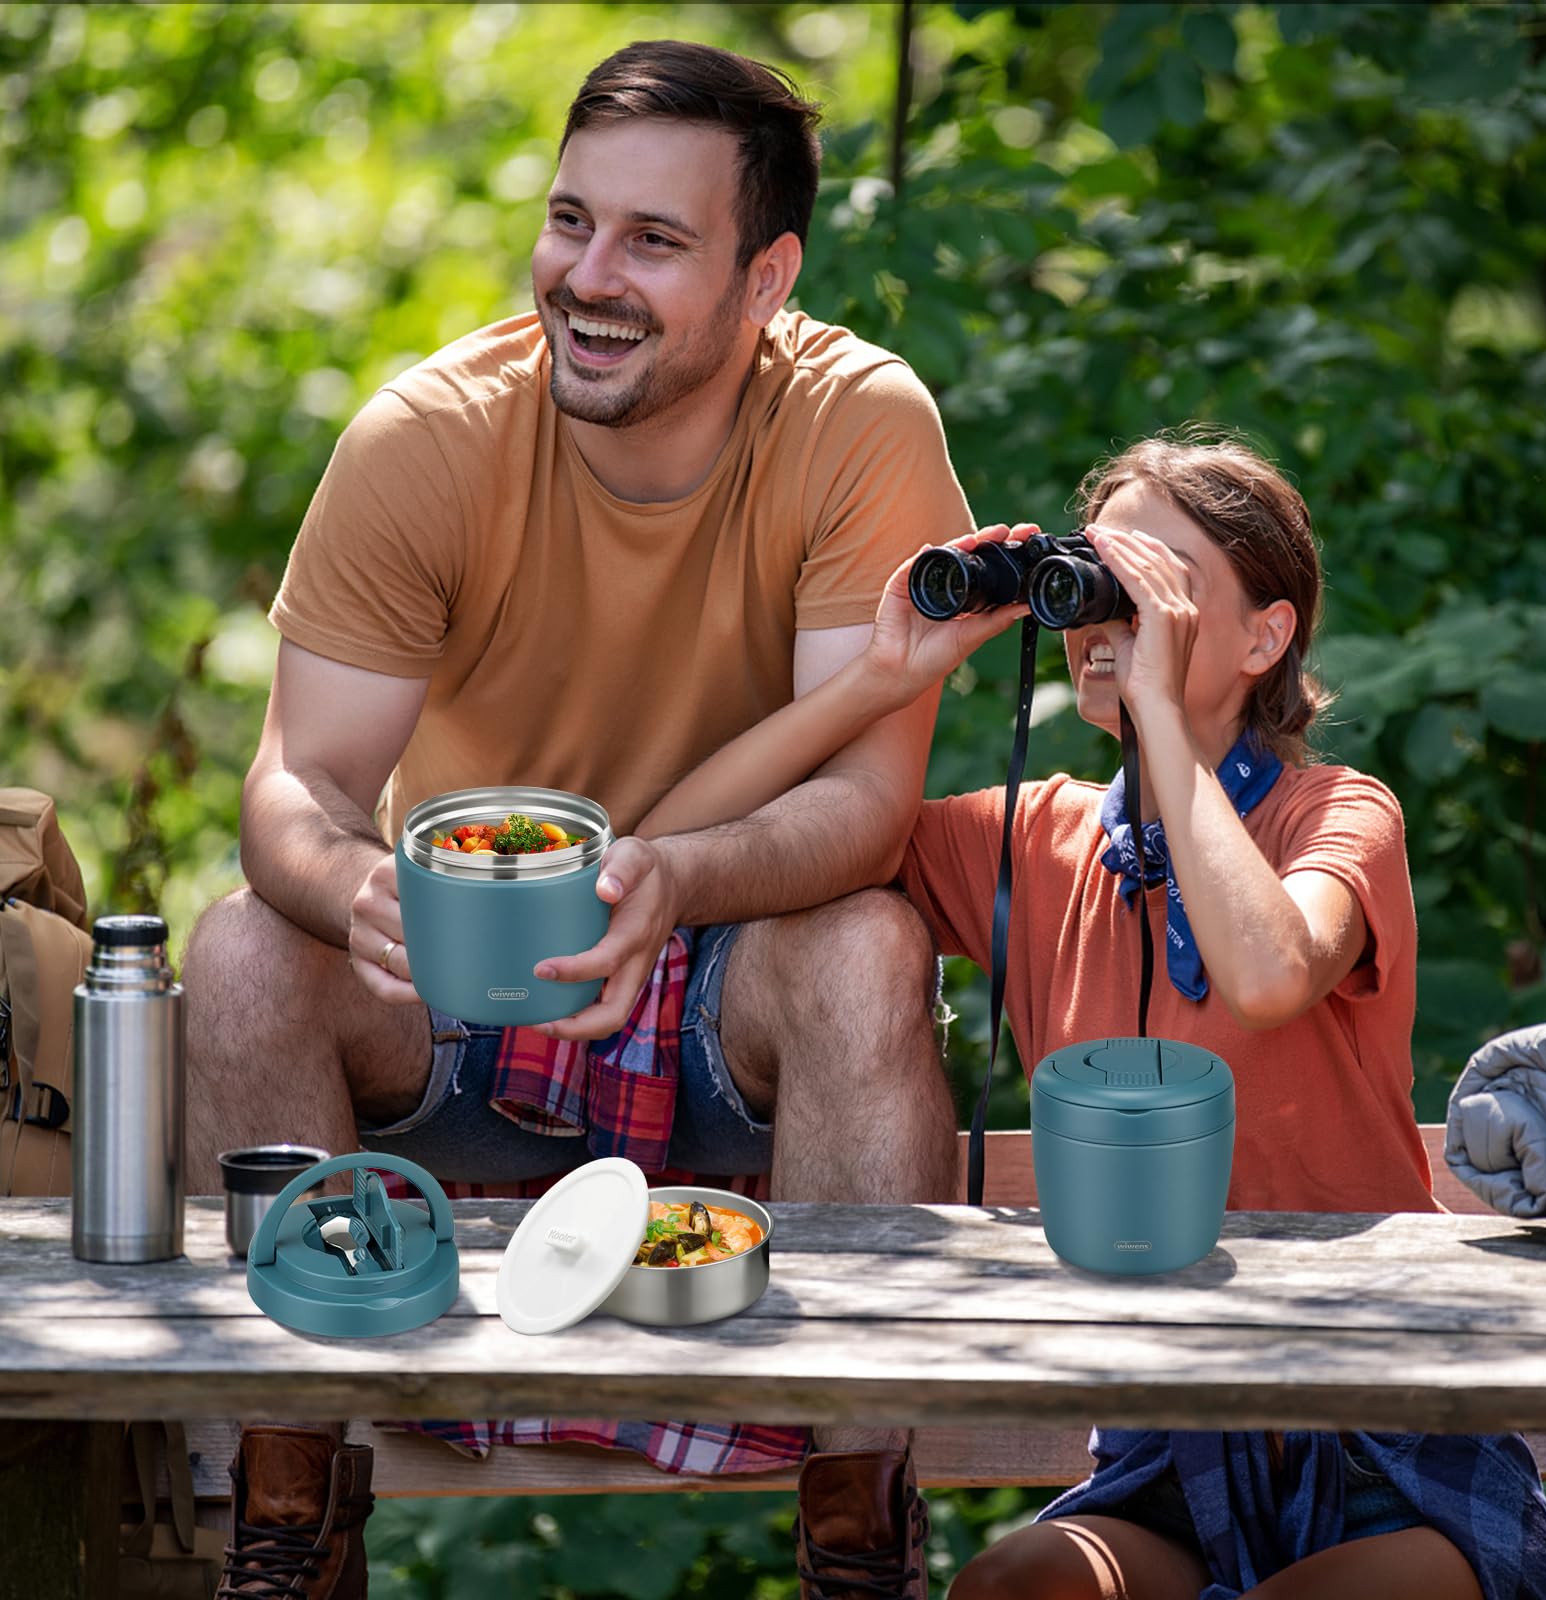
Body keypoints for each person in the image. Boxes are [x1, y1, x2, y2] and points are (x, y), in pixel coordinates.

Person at [183, 39, 971, 1600]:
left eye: (654, 242)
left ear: (767, 281)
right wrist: (350, 891)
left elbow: (870, 810)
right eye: (570, 222)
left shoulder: (858, 427)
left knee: (874, 948)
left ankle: (859, 1531)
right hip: (455, 982)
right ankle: (291, 1513)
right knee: (241, 951)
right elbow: (296, 783)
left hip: (720, 972)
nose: (586, 277)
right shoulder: (427, 439)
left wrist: (679, 876)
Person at [646, 431, 1546, 1600]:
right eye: (1098, 578)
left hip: (1379, 1427)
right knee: (1009, 1587)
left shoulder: (1337, 814)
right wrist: (885, 676)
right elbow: (675, 848)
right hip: (1167, 1445)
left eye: (1157, 584)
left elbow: (1266, 971)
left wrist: (1159, 714)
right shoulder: (1032, 838)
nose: (1111, 618)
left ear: (1263, 635)